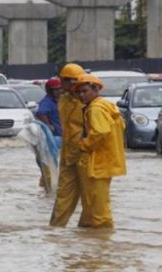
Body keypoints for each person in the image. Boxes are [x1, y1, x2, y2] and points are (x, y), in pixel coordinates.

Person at [74, 73, 126, 228]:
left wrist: (84, 145)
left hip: (98, 163)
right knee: (92, 206)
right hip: (105, 161)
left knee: (98, 210)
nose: (82, 95)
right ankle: (87, 237)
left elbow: (100, 132)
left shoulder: (95, 109)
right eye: (79, 92)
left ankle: (101, 243)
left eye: (85, 91)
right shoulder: (107, 106)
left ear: (95, 89)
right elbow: (121, 126)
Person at [49, 63, 86, 227]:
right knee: (63, 195)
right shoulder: (64, 100)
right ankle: (56, 229)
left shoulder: (89, 101)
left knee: (92, 199)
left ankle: (93, 234)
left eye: (62, 81)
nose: (59, 84)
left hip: (87, 155)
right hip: (69, 154)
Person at [35, 78, 63, 190]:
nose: (58, 91)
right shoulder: (47, 102)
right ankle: (48, 188)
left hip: (61, 135)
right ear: (49, 91)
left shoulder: (62, 100)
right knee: (49, 165)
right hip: (52, 138)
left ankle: (47, 187)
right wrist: (49, 125)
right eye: (55, 90)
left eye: (60, 89)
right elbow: (41, 113)